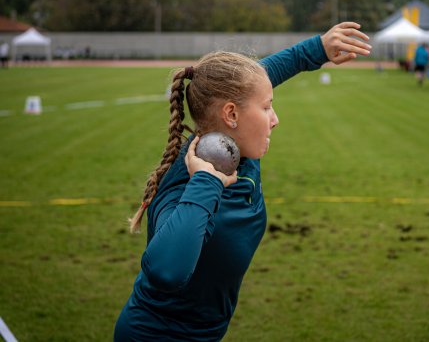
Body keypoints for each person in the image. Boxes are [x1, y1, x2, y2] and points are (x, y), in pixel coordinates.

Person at [114, 22, 371, 341]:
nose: (275, 119)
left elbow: (251, 80)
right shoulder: (186, 183)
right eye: (266, 107)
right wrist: (206, 183)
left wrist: (317, 49)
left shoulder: (240, 146)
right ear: (231, 115)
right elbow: (166, 271)